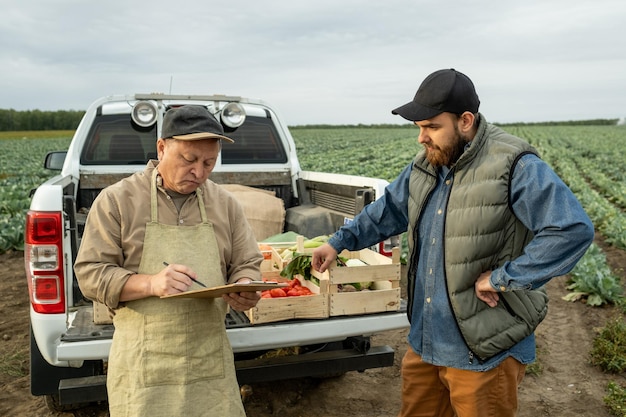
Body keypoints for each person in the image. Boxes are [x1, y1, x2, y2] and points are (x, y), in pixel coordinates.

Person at [312, 69, 595, 417]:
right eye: (418, 128)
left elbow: (571, 229)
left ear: (465, 121)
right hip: (426, 341)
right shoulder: (426, 165)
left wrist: (504, 278)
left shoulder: (513, 165)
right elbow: (386, 211)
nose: (422, 138)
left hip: (483, 348)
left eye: (431, 126)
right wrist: (338, 243)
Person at [75, 105, 263, 417]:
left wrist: (245, 287)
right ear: (162, 148)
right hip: (143, 366)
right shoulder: (117, 201)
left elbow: (246, 262)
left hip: (209, 362)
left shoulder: (225, 204)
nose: (199, 172)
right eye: (189, 160)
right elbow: (91, 274)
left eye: (209, 163)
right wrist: (150, 283)